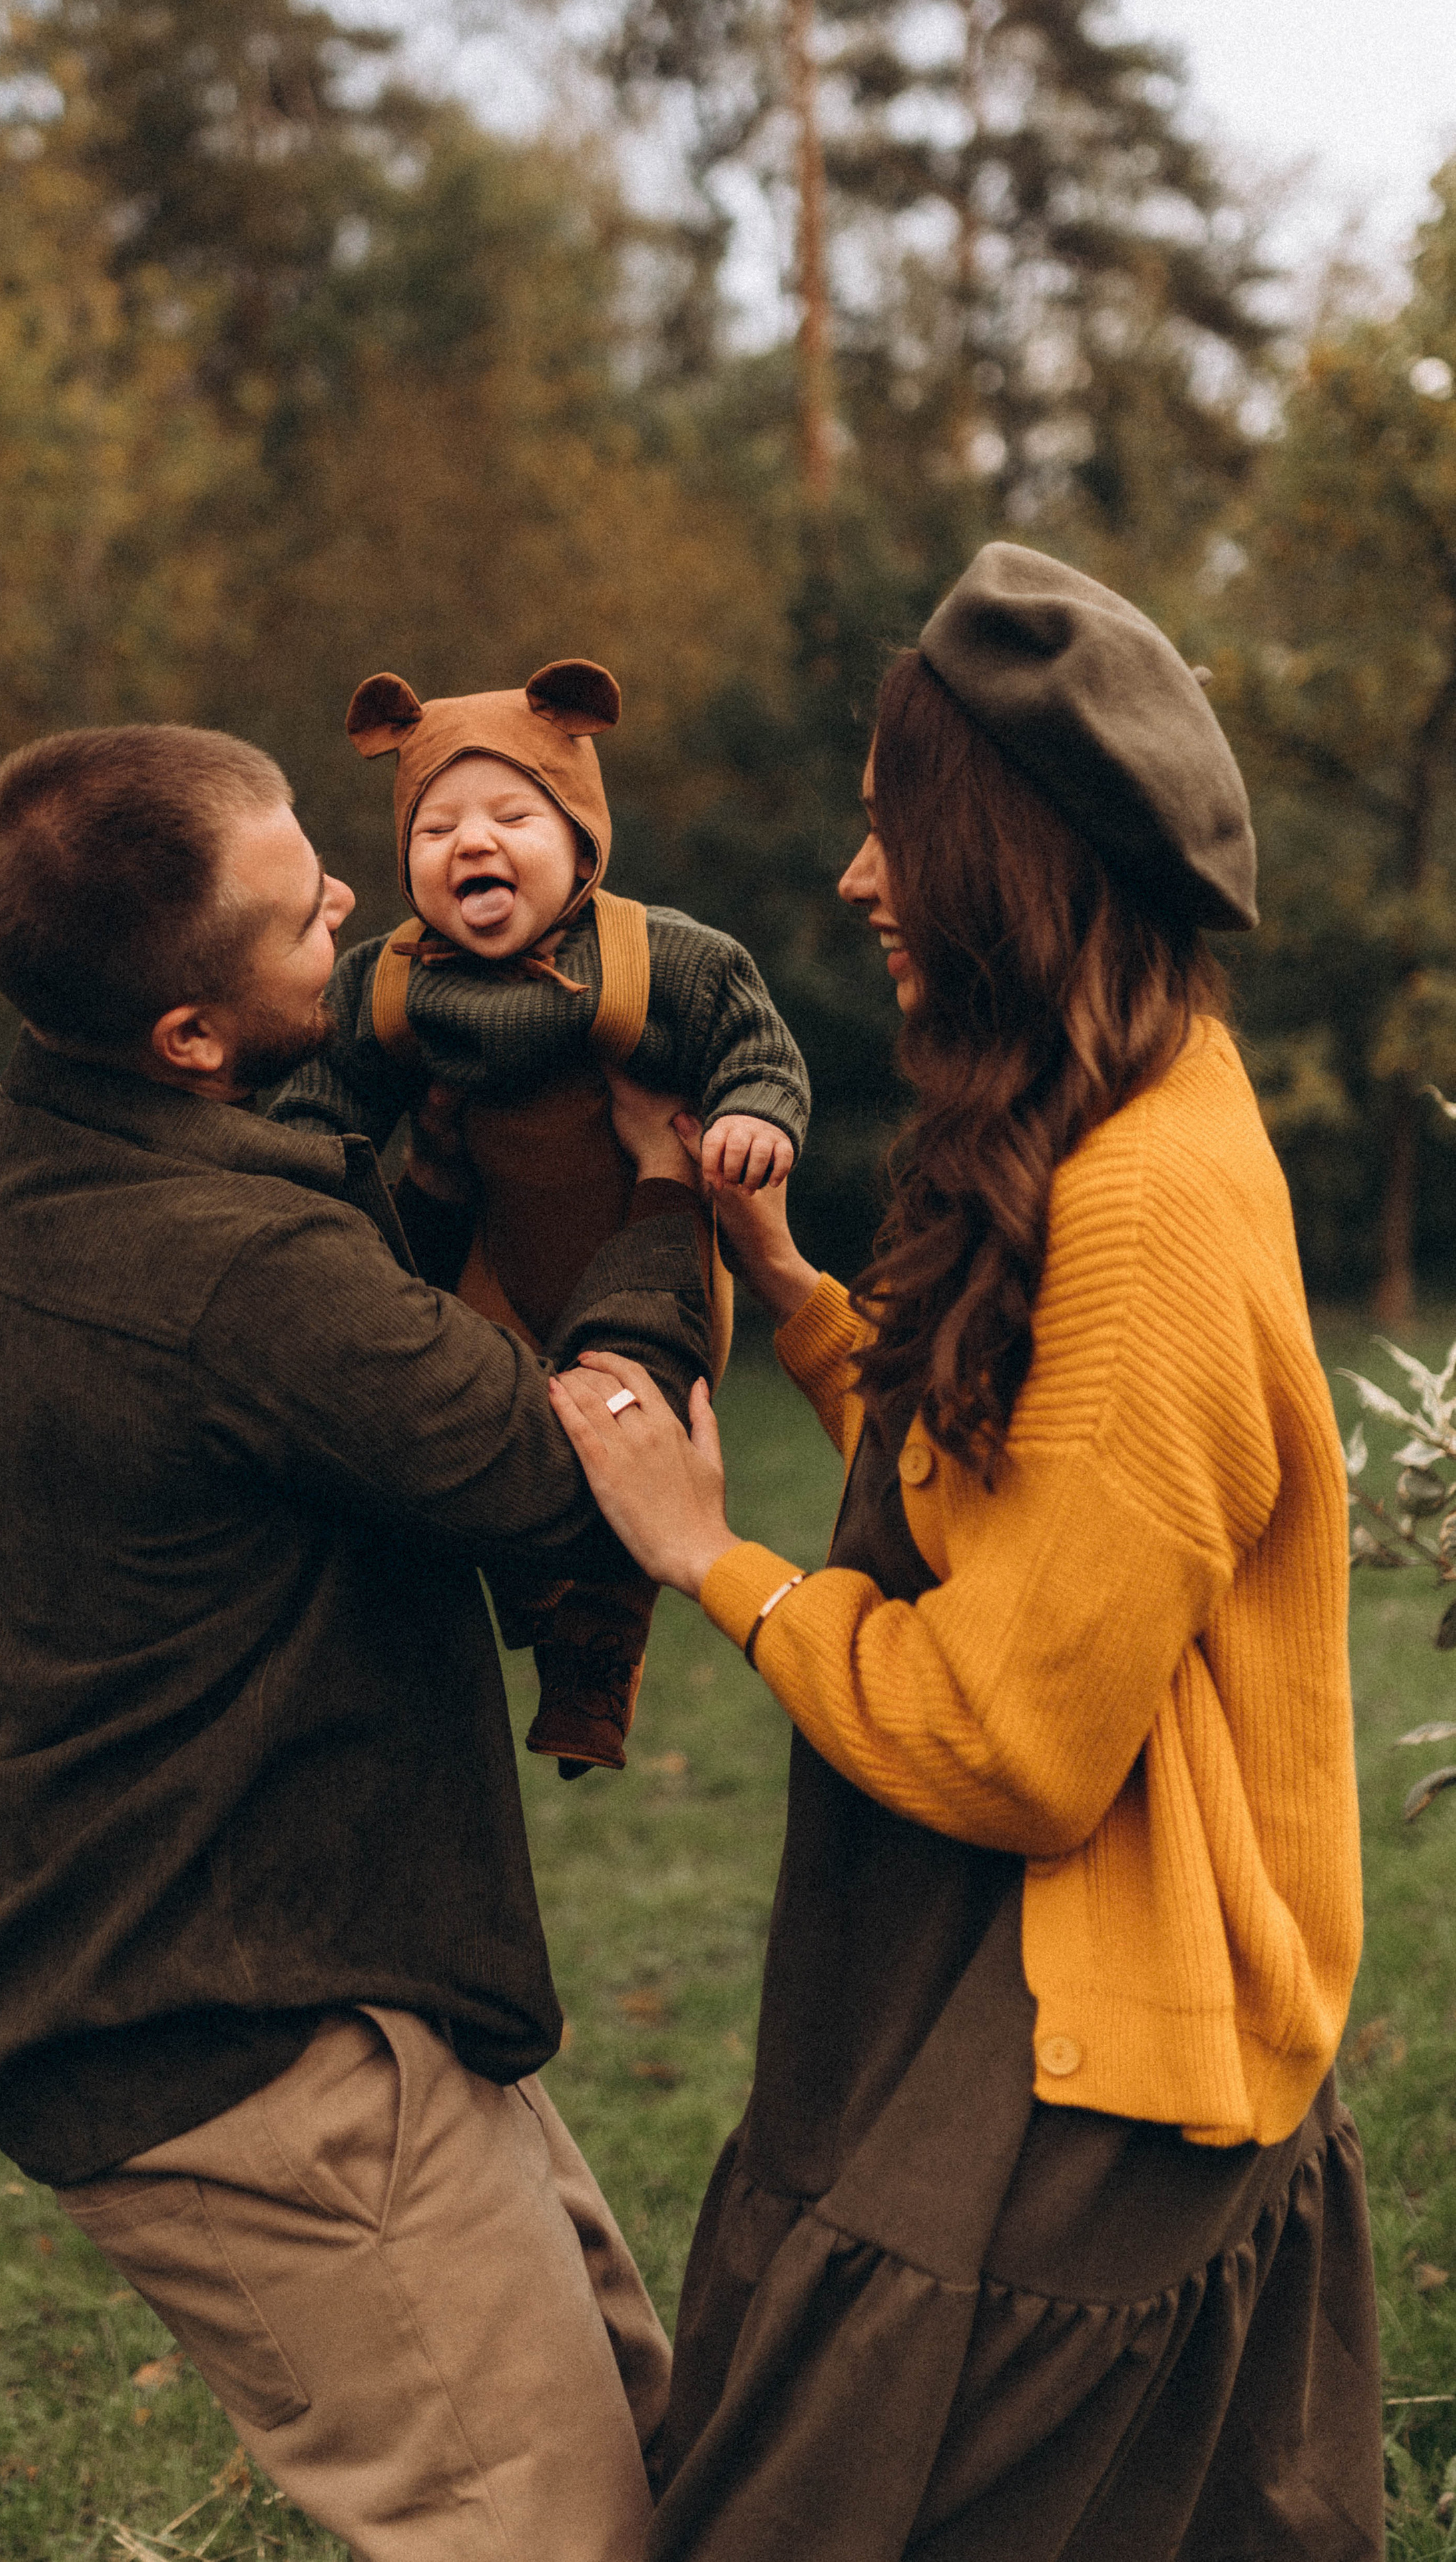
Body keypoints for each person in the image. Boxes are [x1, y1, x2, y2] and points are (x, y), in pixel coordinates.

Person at [549, 546, 1383, 2559]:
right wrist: (800, 1294)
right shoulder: (1114, 1106)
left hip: (1096, 2042)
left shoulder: (1148, 1207)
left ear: (1010, 857)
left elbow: (1016, 1734)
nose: (855, 882)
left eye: (892, 828)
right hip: (1002, 1980)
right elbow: (1018, 1498)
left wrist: (710, 1558)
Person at [0, 720, 718, 2562]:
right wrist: (659, 1202)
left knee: (659, 2468)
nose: (353, 903)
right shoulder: (230, 1269)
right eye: (299, 917)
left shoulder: (33, 1145)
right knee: (553, 2537)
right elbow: (573, 1476)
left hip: (282, 1956)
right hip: (237, 2037)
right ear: (188, 1035)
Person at [274, 655, 809, 1775]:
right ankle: (534, 1602)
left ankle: (596, 1661)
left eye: (513, 814)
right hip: (491, 1269)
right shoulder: (388, 984)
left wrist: (759, 1114)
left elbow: (753, 1039)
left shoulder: (656, 956)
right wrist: (300, 1166)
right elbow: (322, 1098)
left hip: (639, 1258)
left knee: (624, 1433)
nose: (473, 844)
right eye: (435, 830)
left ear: (581, 840)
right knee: (476, 1432)